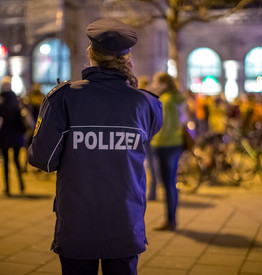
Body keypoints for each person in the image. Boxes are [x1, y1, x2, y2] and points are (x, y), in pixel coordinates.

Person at [28, 19, 162, 275]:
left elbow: (43, 160)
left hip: (78, 223)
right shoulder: (147, 103)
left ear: (91, 54)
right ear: (126, 56)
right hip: (126, 220)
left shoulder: (64, 97)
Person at [151, 72, 185, 231]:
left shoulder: (165, 100)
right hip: (176, 143)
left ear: (164, 85)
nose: (154, 85)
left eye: (156, 82)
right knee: (171, 182)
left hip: (165, 145)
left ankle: (170, 220)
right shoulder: (176, 98)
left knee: (168, 183)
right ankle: (172, 219)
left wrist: (153, 140)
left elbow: (163, 126)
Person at [0, 76, 26, 196]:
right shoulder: (15, 99)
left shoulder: (2, 100)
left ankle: (7, 188)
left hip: (5, 134)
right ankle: (21, 184)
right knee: (16, 161)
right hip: (16, 134)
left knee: (5, 162)